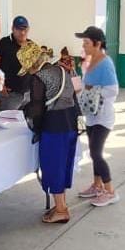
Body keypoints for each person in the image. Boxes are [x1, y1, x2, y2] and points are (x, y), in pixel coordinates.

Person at [20, 41, 79, 223]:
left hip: (54, 127)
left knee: (53, 167)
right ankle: (61, 204)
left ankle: (61, 210)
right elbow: (73, 98)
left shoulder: (39, 78)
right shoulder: (61, 70)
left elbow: (37, 110)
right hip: (71, 123)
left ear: (33, 63)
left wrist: (31, 121)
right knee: (63, 165)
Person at [76, 26, 121, 207]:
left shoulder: (105, 63)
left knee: (96, 153)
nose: (84, 46)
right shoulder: (90, 60)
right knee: (94, 153)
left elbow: (113, 90)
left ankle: (110, 191)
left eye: (87, 43)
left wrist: (93, 90)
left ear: (97, 44)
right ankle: (97, 185)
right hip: (92, 115)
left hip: (103, 116)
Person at [0, 15, 32, 111]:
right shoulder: (4, 43)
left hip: (28, 93)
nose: (22, 32)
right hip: (10, 94)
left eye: (25, 29)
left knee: (26, 123)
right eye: (19, 29)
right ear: (13, 29)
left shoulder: (31, 45)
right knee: (8, 121)